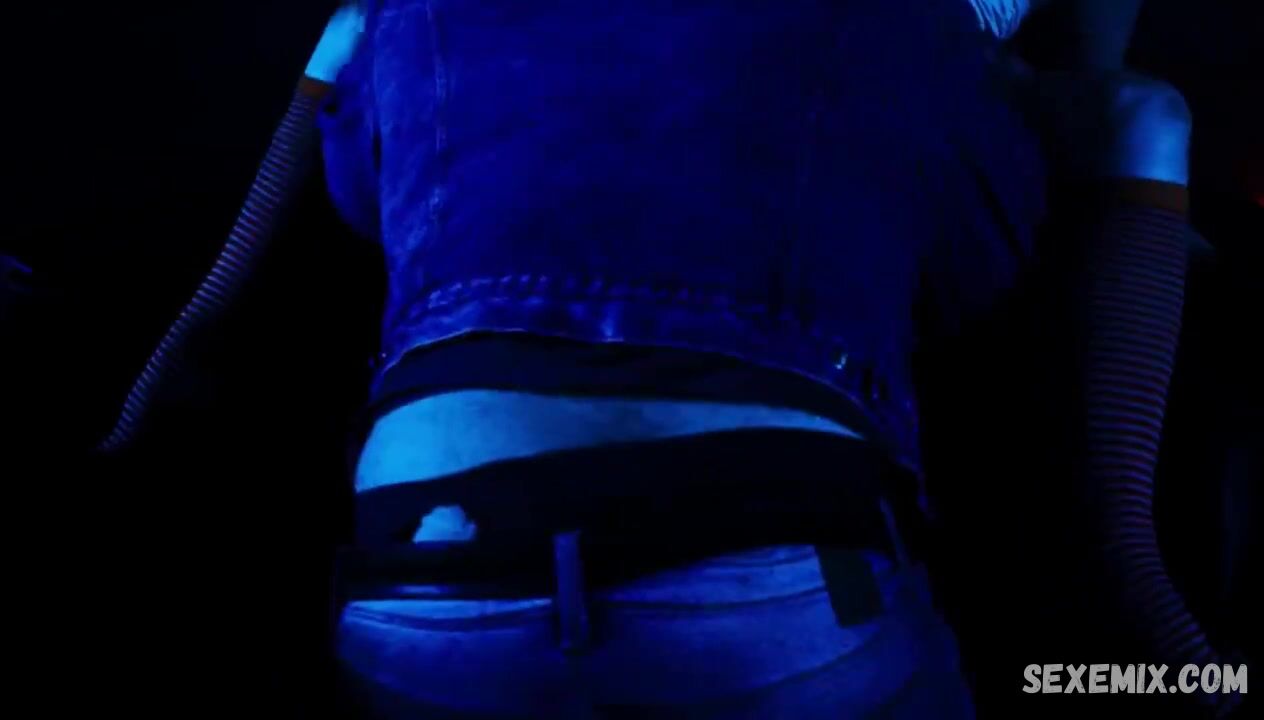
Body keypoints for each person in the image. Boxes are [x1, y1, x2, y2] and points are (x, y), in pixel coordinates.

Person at [302, 0, 1206, 717]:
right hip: (782, 574)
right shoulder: (910, 29)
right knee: (1105, 649)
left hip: (424, 583)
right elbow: (988, 260)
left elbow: (356, 187)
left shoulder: (410, 15)